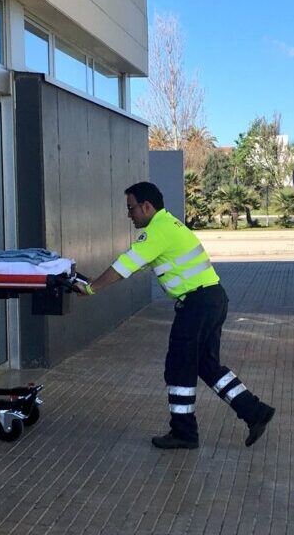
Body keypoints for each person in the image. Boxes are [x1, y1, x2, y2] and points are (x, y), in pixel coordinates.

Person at [77, 181, 276, 449]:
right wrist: (96, 280)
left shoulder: (156, 231)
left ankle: (184, 433)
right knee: (206, 365)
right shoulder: (169, 225)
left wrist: (91, 288)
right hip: (211, 299)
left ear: (147, 206)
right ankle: (255, 411)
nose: (129, 214)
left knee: (179, 367)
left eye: (131, 208)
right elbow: (131, 268)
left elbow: (125, 264)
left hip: (197, 305)